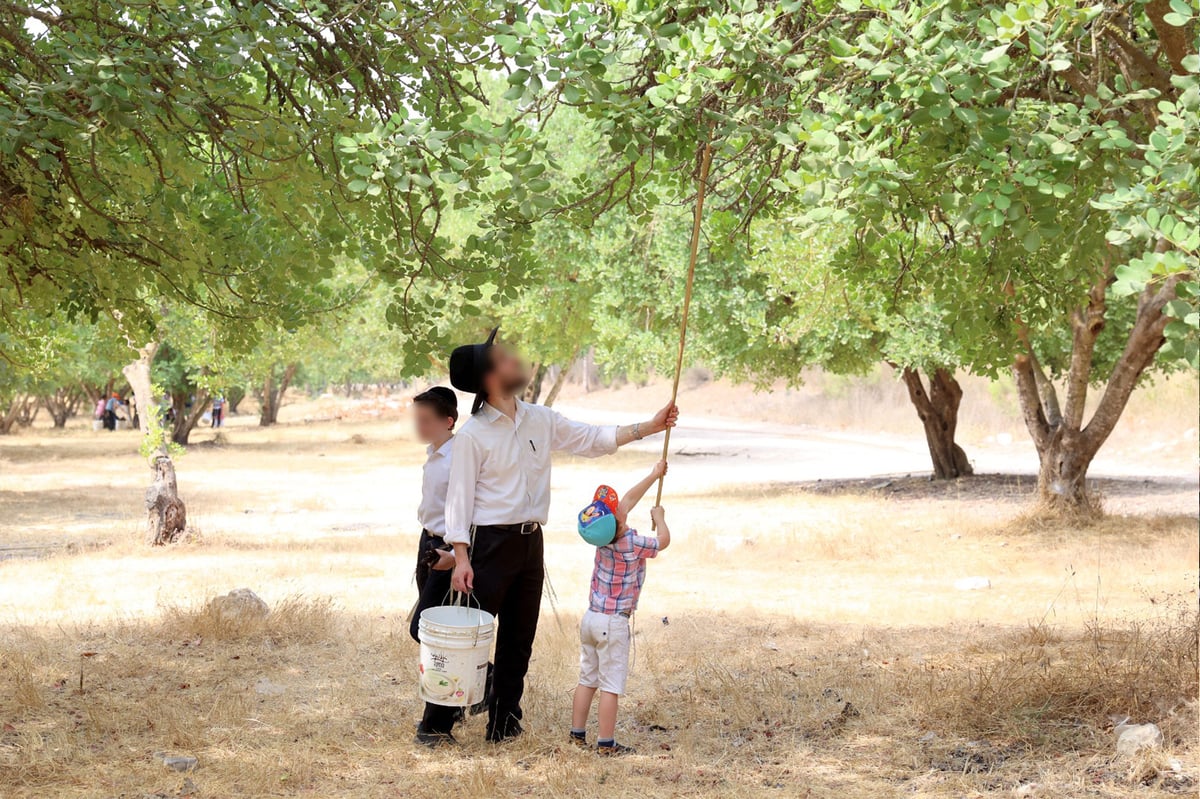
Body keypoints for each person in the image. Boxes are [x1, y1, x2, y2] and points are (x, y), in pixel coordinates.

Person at [414, 327, 678, 747]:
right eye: (503, 359)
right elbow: (458, 503)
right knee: (470, 637)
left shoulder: (540, 418)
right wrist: (461, 557)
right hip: (488, 545)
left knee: (519, 638)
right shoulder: (472, 436)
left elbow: (592, 439)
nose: (514, 361)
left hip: (530, 542)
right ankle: (435, 726)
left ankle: (503, 723)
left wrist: (649, 425)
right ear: (487, 377)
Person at [570, 461, 671, 755]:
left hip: (590, 619)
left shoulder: (601, 540)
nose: (622, 509)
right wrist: (660, 517)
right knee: (610, 685)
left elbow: (625, 501)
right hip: (613, 624)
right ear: (619, 521)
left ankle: (577, 735)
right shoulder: (631, 543)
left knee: (587, 679)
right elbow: (663, 541)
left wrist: (653, 474)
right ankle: (606, 743)